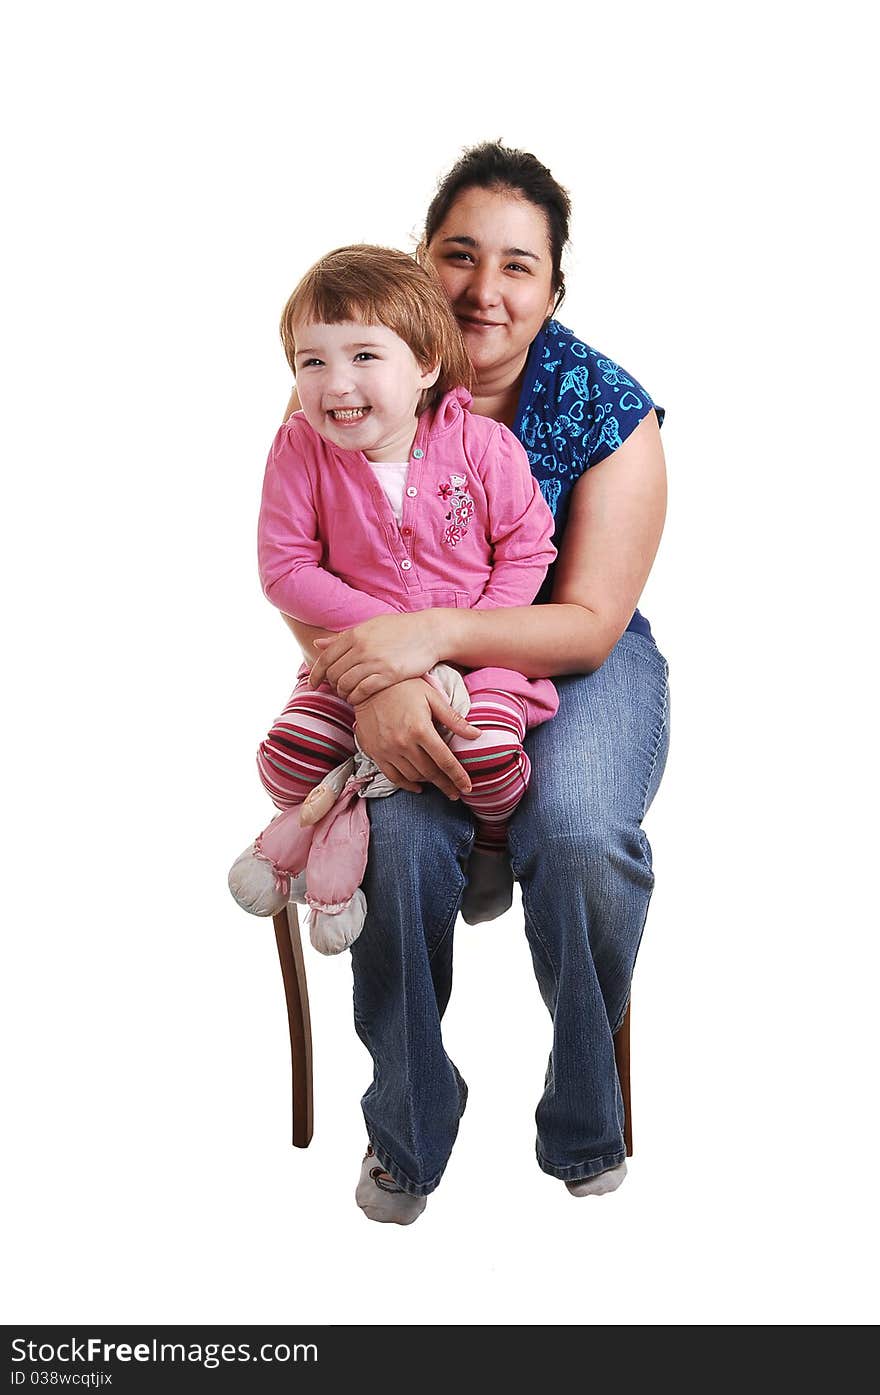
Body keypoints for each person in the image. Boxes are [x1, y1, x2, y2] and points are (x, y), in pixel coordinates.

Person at [284, 143, 670, 1225]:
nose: (482, 291)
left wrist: (429, 636)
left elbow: (589, 620)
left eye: (517, 265)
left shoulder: (608, 409)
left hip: (571, 655)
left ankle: (584, 1114)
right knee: (400, 845)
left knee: (584, 836)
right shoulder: (356, 368)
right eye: (458, 255)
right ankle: (409, 1124)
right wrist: (372, 681)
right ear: (420, 258)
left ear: (553, 286)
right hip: (382, 654)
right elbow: (296, 558)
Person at [228, 245, 559, 953]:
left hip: (478, 663)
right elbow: (283, 567)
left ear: (426, 367)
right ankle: (324, 829)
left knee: (491, 761)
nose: (334, 382)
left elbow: (529, 549)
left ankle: (492, 846)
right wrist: (388, 639)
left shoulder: (486, 448)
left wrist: (462, 638)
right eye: (311, 362)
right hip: (356, 661)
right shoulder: (299, 449)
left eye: (363, 357)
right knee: (285, 758)